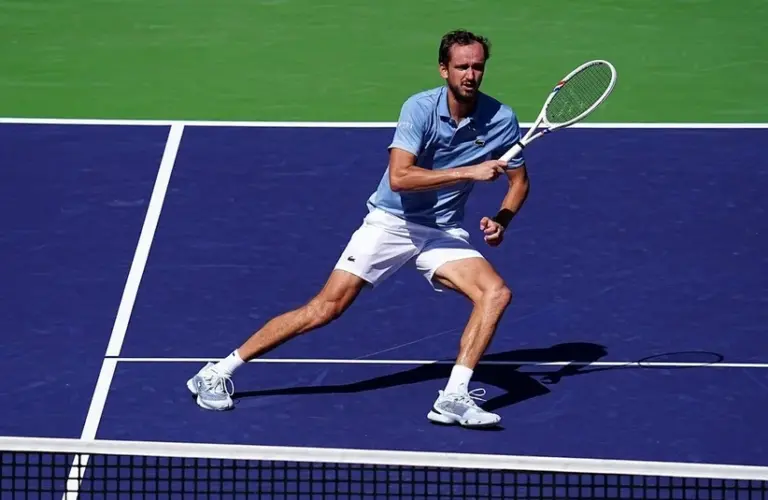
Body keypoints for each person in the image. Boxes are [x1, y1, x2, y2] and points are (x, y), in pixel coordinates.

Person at [187, 29, 530, 428]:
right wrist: (469, 171)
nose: (470, 74)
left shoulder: (501, 120)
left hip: (441, 231)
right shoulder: (419, 109)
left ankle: (453, 396)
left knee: (495, 293)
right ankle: (217, 372)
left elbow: (519, 182)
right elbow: (400, 177)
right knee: (325, 309)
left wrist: (502, 219)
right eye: (461, 67)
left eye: (477, 66)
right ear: (443, 70)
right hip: (391, 221)